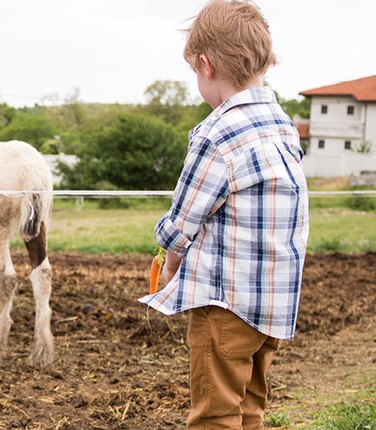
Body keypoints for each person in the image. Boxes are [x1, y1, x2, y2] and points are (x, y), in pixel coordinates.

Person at [138, 1, 310, 428]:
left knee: (215, 414)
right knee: (250, 406)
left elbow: (182, 222)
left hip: (226, 306)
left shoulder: (216, 134)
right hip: (273, 305)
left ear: (206, 65)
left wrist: (169, 260)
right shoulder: (282, 125)